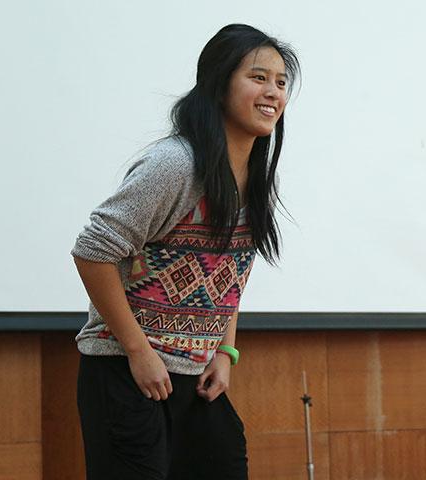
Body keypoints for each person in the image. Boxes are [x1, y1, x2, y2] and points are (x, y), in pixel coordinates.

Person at [71, 24, 299, 480]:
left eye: (280, 81)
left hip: (195, 376)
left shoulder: (253, 178)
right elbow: (92, 251)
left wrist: (224, 353)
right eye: (258, 77)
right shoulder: (176, 164)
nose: (272, 91)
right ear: (218, 85)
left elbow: (227, 275)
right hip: (127, 370)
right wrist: (138, 351)